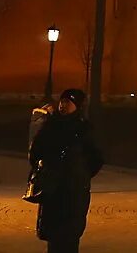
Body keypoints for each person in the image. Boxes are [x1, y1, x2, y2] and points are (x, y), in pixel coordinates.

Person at [29, 88, 103, 253]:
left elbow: (96, 157)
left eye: (68, 102)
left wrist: (81, 174)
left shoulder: (84, 129)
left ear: (77, 106)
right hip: (52, 189)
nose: (63, 105)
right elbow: (35, 151)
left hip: (74, 191)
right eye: (62, 101)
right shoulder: (51, 125)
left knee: (69, 236)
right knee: (54, 236)